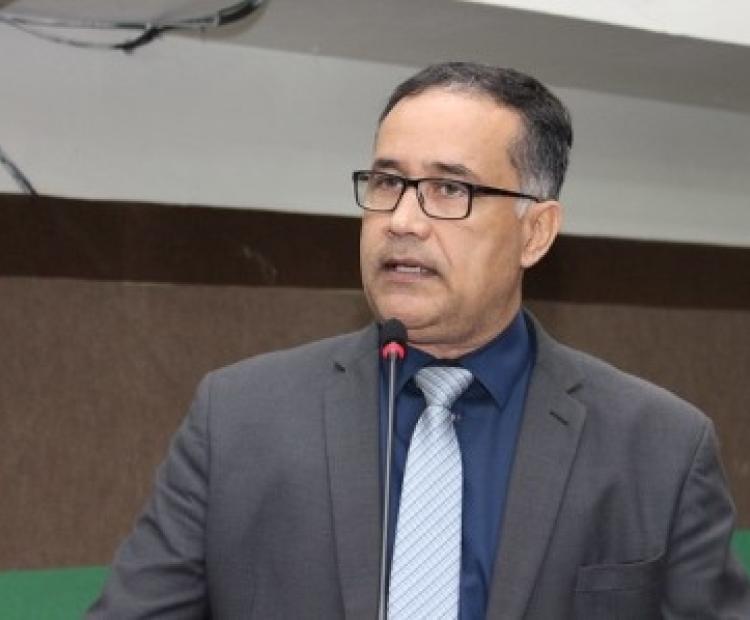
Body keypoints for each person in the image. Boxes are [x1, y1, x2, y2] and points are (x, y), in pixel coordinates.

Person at [88, 62, 750, 618]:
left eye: (448, 188)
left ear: (535, 232)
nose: (402, 220)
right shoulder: (237, 417)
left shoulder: (661, 446)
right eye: (386, 183)